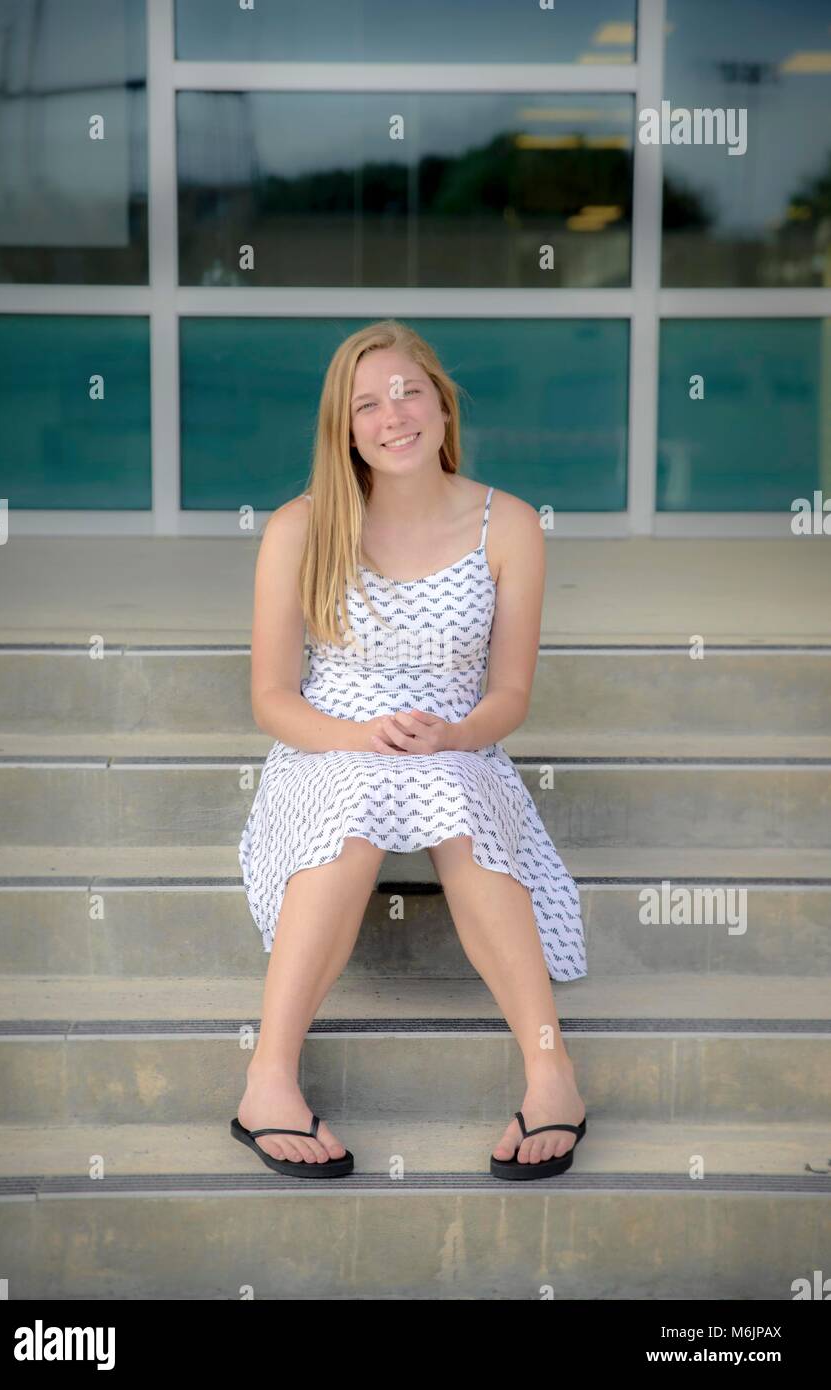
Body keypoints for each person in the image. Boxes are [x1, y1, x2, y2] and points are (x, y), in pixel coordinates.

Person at [232, 319, 587, 1181]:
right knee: (353, 791)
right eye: (367, 404)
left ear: (439, 402)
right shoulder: (300, 526)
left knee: (459, 794)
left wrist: (457, 734)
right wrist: (358, 738)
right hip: (328, 743)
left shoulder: (508, 525)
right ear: (344, 428)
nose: (392, 416)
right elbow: (272, 698)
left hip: (455, 738)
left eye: (407, 392)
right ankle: (267, 1082)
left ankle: (553, 1076)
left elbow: (508, 695)